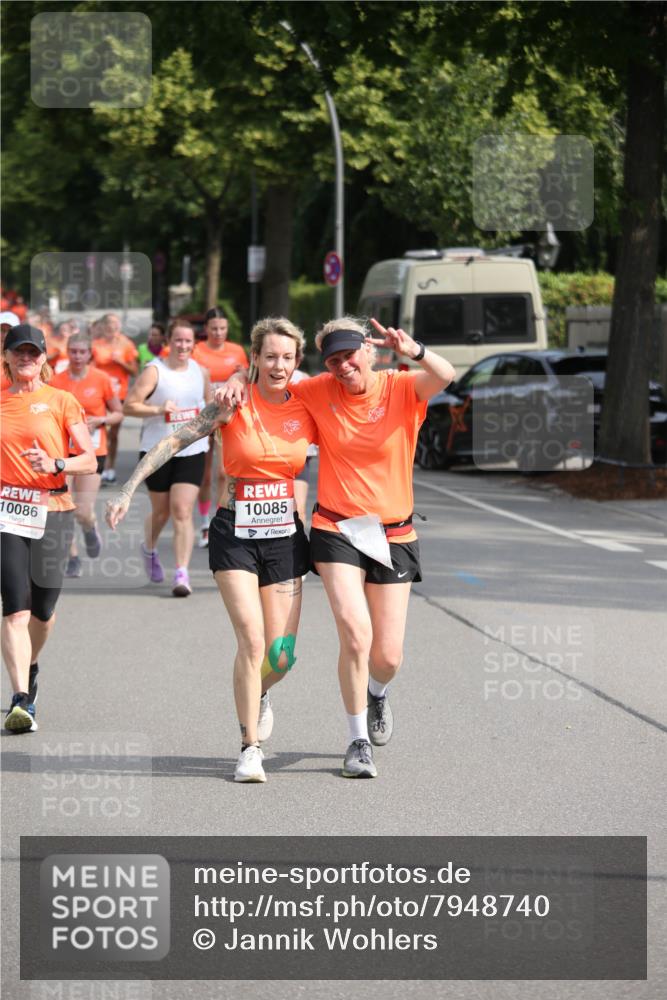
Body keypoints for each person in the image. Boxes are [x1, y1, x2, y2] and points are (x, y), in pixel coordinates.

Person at [219, 316, 456, 778]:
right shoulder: (316, 389)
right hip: (337, 528)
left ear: (369, 351)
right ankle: (357, 741)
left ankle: (377, 695)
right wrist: (234, 376)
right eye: (333, 359)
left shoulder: (402, 387)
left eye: (350, 355)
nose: (343, 366)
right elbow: (271, 378)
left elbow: (445, 376)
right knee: (355, 633)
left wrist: (414, 349)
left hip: (394, 532)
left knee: (387, 656)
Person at [106, 317, 315, 782]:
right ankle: (249, 747)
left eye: (287, 358)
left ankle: (257, 693)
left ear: (297, 362)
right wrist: (126, 488)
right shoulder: (229, 405)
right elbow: (175, 440)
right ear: (255, 359)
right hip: (234, 532)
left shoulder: (309, 404)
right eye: (269, 357)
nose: (278, 365)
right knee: (252, 640)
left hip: (284, 537)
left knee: (280, 657)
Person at [1, 324, 96, 733]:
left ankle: (31, 665)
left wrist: (57, 463)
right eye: (18, 352)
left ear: (43, 359)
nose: (26, 359)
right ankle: (21, 698)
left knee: (43, 612)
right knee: (16, 611)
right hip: (6, 511)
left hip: (52, 508)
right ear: (5, 358)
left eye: (33, 352)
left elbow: (89, 460)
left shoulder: (61, 401)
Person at [122, 319, 212, 596]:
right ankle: (148, 549)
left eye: (188, 341)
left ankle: (181, 573)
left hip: (192, 450)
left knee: (182, 510)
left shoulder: (201, 372)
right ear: (168, 342)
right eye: (178, 340)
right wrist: (158, 409)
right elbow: (129, 406)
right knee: (161, 512)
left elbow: (208, 407)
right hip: (156, 450)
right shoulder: (154, 371)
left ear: (194, 344)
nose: (183, 346)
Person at [50, 334, 123, 577]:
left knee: (82, 510)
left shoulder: (101, 379)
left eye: (82, 352)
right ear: (67, 353)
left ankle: (90, 528)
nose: (78, 356)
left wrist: (101, 420)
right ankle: (72, 557)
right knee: (64, 507)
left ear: (90, 354)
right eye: (73, 352)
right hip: (63, 451)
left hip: (94, 450)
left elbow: (118, 413)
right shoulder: (56, 381)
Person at [191, 307, 249, 547]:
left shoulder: (236, 351)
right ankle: (204, 523)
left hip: (229, 417)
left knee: (224, 473)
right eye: (213, 328)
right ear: (206, 329)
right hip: (205, 416)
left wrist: (241, 374)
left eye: (222, 328)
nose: (218, 333)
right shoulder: (196, 351)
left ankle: (219, 521)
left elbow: (246, 377)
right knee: (204, 475)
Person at [91, 312, 139, 484]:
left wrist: (120, 362)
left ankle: (110, 467)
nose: (112, 328)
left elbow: (134, 371)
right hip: (99, 394)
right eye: (109, 324)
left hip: (119, 394)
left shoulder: (126, 344)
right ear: (103, 327)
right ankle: (98, 465)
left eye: (115, 324)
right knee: (100, 430)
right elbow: (89, 367)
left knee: (114, 433)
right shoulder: (96, 345)